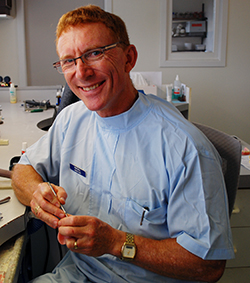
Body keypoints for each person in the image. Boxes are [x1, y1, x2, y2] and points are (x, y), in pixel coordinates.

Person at [12, 5, 234, 283]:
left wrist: (116, 242)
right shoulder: (72, 119)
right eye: (68, 61)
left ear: (129, 58)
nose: (81, 72)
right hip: (76, 274)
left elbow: (208, 265)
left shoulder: (184, 148)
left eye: (94, 53)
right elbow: (24, 169)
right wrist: (36, 194)